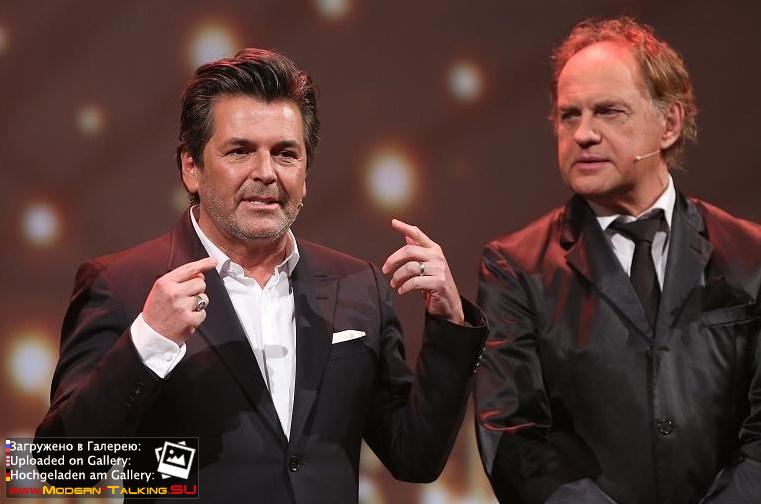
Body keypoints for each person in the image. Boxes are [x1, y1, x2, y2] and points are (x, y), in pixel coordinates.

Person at [37, 48, 487, 503]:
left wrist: (450, 324)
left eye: (286, 154)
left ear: (306, 174)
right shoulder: (121, 285)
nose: (266, 173)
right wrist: (149, 340)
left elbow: (415, 457)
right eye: (240, 151)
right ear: (191, 167)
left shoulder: (358, 285)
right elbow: (59, 467)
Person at [474, 17, 761, 504]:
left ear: (669, 124)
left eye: (609, 112)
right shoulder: (516, 269)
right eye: (569, 115)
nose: (584, 134)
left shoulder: (751, 257)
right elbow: (514, 439)